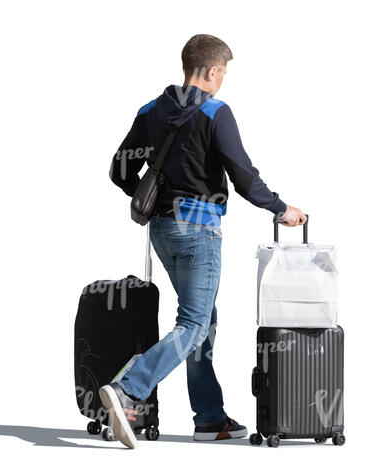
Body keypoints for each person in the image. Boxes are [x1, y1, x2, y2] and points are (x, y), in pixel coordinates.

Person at [100, 34, 307, 449]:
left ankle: (210, 418)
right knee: (194, 324)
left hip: (161, 230)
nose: (224, 79)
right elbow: (243, 174)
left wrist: (148, 193)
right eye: (224, 73)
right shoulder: (215, 111)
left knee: (200, 322)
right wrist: (280, 208)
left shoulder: (150, 110)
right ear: (213, 71)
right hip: (198, 230)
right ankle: (127, 391)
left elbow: (120, 169)